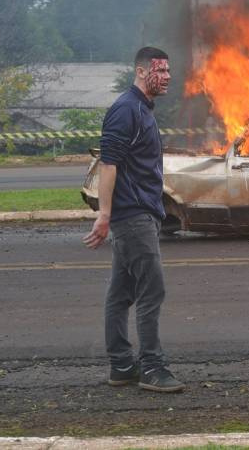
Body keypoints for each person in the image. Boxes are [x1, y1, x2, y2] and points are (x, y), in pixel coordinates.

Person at [83, 47, 184, 393]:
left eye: (168, 70)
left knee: (121, 293)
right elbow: (109, 164)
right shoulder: (126, 109)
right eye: (161, 70)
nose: (167, 76)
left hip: (141, 214)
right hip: (133, 217)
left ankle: (122, 366)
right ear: (141, 72)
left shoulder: (142, 109)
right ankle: (152, 367)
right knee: (151, 291)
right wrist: (105, 214)